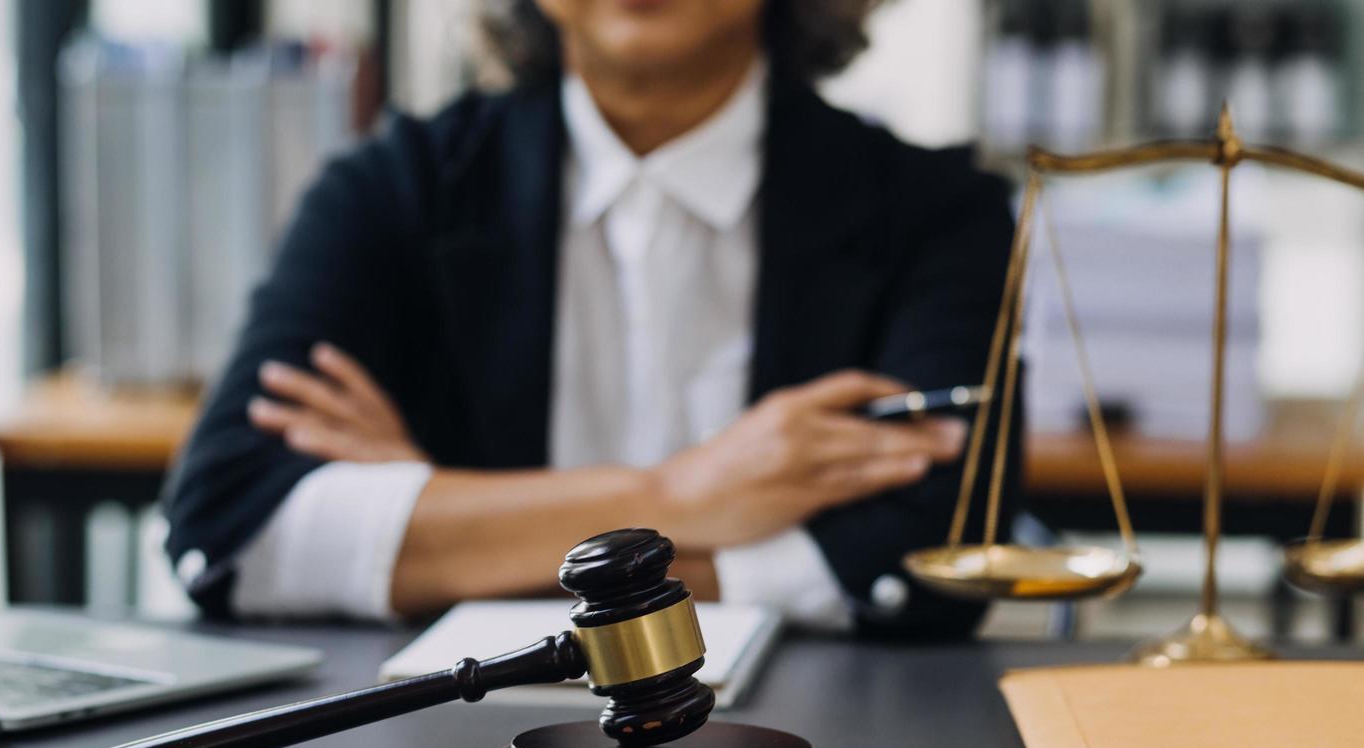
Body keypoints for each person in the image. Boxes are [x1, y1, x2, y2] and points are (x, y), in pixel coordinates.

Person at [162, 0, 1021, 636]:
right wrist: (685, 494)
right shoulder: (394, 188)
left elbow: (935, 558)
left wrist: (445, 524)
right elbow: (231, 528)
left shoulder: (938, 213)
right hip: (455, 747)